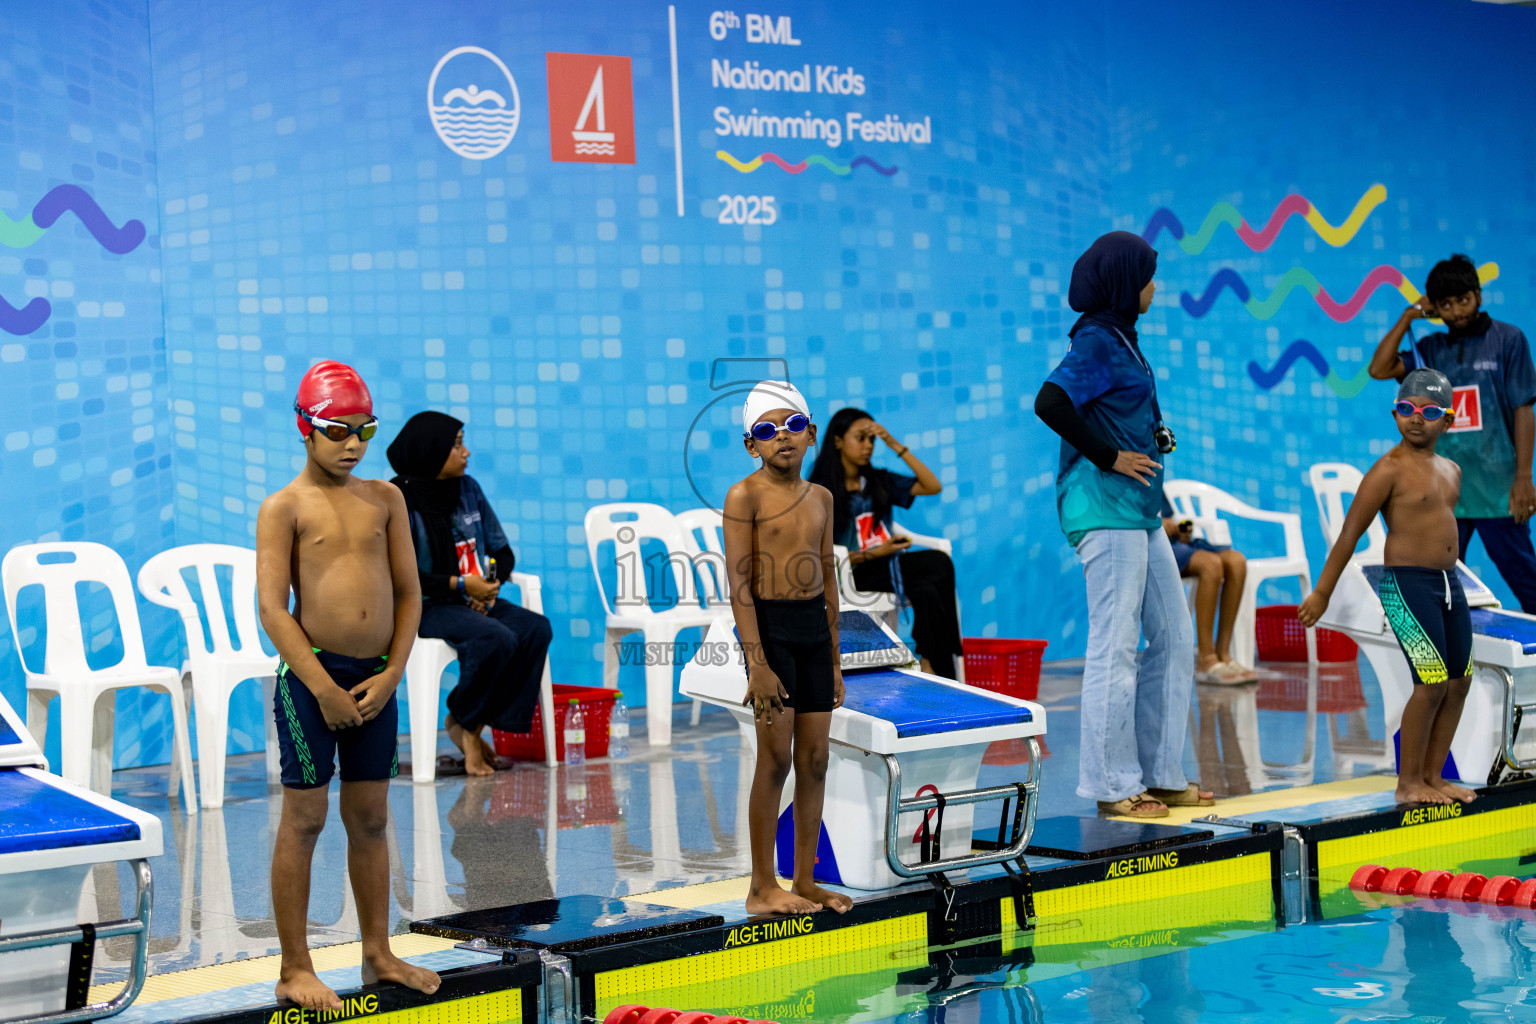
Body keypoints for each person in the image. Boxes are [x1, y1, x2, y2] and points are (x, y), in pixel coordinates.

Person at [255, 361, 439, 1010]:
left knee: (370, 819)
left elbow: (411, 594)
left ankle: (377, 952)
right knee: (304, 819)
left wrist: (392, 672)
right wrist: (322, 687)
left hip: (376, 681)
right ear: (305, 430)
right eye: (338, 431)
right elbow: (274, 610)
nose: (353, 444)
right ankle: (294, 968)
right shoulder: (284, 507)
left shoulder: (385, 499)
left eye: (364, 430)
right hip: (313, 680)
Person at [1034, 231, 1212, 819]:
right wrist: (1109, 455)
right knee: (1115, 646)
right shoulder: (1096, 341)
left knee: (1175, 635)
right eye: (1147, 277)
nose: (1154, 287)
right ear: (1123, 282)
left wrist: (1152, 436)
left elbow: (1120, 409)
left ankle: (1160, 773)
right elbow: (1050, 403)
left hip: (1139, 509)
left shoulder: (1121, 339)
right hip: (1102, 507)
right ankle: (1112, 783)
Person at [1299, 369, 1476, 806]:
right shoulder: (1387, 470)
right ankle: (1408, 782)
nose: (1416, 419)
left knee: (1460, 682)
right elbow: (1348, 535)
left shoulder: (1451, 470)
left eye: (1429, 411)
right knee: (1431, 684)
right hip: (1405, 586)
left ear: (1448, 421)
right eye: (1406, 409)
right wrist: (1322, 592)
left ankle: (1434, 776)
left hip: (1449, 584)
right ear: (1394, 414)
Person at [722, 380, 852, 916]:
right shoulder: (744, 496)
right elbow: (739, 585)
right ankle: (760, 886)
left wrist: (836, 662)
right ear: (751, 445)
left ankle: (803, 879)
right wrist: (758, 665)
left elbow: (826, 578)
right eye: (767, 430)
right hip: (770, 633)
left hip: (814, 636)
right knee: (774, 761)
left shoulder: (821, 497)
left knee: (816, 760)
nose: (783, 437)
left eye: (793, 425)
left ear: (811, 434)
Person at [386, 411, 553, 777]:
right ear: (432, 451)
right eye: (457, 444)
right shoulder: (398, 498)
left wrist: (489, 586)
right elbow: (402, 576)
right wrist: (462, 585)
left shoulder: (469, 489)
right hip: (427, 605)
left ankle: (469, 724)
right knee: (496, 637)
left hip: (474, 599)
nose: (467, 453)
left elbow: (501, 551)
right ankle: (467, 725)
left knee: (535, 628)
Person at [1368, 254, 1536, 612]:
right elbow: (1379, 369)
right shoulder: (1429, 350)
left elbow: (1524, 408)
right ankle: (1450, 660)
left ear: (1478, 295)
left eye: (1464, 299)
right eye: (1445, 304)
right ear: (1435, 308)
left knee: (1527, 581)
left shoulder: (1509, 340)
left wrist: (1524, 476)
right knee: (1435, 583)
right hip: (1443, 493)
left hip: (1497, 491)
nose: (1457, 310)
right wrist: (1408, 315)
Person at [805, 408, 960, 678]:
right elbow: (822, 557)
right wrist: (877, 552)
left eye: (873, 440)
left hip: (888, 569)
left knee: (926, 591)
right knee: (938, 562)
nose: (868, 446)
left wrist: (894, 444)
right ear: (838, 441)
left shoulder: (878, 481)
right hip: (849, 574)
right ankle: (948, 666)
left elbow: (932, 486)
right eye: (861, 438)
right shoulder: (821, 491)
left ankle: (931, 665)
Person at [1160, 497, 1256, 683]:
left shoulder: (1155, 473)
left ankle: (1224, 654)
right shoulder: (1125, 473)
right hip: (1156, 544)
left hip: (1178, 543)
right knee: (1211, 565)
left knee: (1237, 562)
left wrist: (1177, 529)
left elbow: (1169, 518)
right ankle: (1206, 658)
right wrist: (1157, 526)